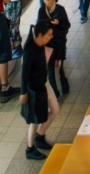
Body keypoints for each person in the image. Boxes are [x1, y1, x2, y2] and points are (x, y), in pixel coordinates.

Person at [20, 21, 60, 160]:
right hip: (34, 90)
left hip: (44, 84)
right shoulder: (30, 51)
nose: (50, 37)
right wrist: (23, 92)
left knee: (55, 110)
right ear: (40, 35)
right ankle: (29, 149)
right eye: (48, 35)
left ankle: (40, 136)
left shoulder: (40, 45)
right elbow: (24, 74)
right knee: (34, 120)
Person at [36, 0, 71, 97]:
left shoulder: (60, 9)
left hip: (59, 42)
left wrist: (59, 23)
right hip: (48, 43)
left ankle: (64, 85)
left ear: (54, 0)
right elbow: (39, 25)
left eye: (48, 0)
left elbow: (67, 25)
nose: (46, 2)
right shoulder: (42, 10)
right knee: (50, 68)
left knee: (60, 66)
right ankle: (54, 91)